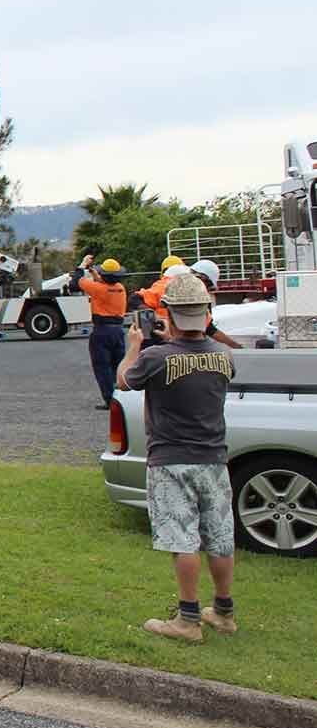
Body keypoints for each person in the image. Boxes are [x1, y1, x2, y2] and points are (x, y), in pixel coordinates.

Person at [116, 273, 236, 643]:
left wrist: (134, 345)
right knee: (218, 537)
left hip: (171, 459)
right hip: (214, 458)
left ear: (169, 311)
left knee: (183, 539)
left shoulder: (155, 357)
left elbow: (124, 380)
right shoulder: (223, 356)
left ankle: (187, 619)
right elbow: (196, 361)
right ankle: (223, 612)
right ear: (206, 313)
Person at [78, 254, 128, 410]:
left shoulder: (98, 289)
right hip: (118, 330)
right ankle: (122, 398)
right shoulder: (120, 288)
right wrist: (94, 273)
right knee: (118, 365)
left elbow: (76, 282)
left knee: (102, 366)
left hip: (102, 331)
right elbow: (105, 283)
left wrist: (82, 265)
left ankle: (109, 400)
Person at [188, 259, 244, 349]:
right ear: (203, 278)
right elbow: (209, 329)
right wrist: (235, 346)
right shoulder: (199, 298)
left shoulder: (174, 288)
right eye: (208, 285)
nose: (206, 289)